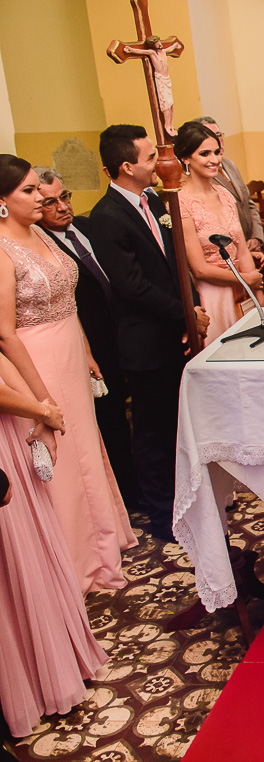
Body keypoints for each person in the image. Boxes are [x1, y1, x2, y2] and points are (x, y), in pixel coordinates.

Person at [0, 155, 137, 590]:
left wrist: (87, 349)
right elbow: (4, 333)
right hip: (35, 360)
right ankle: (74, 563)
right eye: (28, 190)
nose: (40, 197)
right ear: (1, 201)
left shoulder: (41, 232)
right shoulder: (2, 249)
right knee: (57, 453)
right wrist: (39, 398)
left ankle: (102, 544)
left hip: (71, 353)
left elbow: (67, 300)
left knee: (84, 446)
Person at [88, 125, 209, 544]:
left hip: (175, 330)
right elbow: (132, 286)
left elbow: (177, 263)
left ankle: (190, 501)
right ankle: (163, 516)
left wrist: (193, 309)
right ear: (127, 166)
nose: (160, 163)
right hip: (145, 342)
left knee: (181, 425)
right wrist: (184, 316)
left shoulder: (155, 200)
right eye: (150, 157)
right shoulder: (106, 217)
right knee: (154, 432)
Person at [0, 350, 108, 743]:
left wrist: (39, 412)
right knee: (12, 563)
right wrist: (41, 410)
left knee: (29, 555)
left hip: (10, 426)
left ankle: (46, 671)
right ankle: (21, 687)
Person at [33, 168, 142, 512]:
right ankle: (126, 493)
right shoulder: (40, 245)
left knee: (134, 414)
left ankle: (139, 480)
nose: (62, 207)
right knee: (109, 419)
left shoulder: (87, 226)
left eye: (64, 197)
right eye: (50, 202)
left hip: (125, 333)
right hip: (89, 343)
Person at [174, 121, 264, 345]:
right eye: (204, 154)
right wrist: (246, 279)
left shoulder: (223, 194)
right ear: (186, 158)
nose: (214, 159)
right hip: (212, 294)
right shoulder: (180, 203)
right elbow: (199, 269)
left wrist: (256, 291)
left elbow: (241, 248)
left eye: (216, 152)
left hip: (242, 290)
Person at [192, 116, 264, 266]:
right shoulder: (203, 174)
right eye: (210, 136)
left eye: (218, 134)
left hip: (248, 245)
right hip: (227, 253)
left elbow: (248, 203)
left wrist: (257, 237)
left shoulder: (230, 165)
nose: (217, 140)